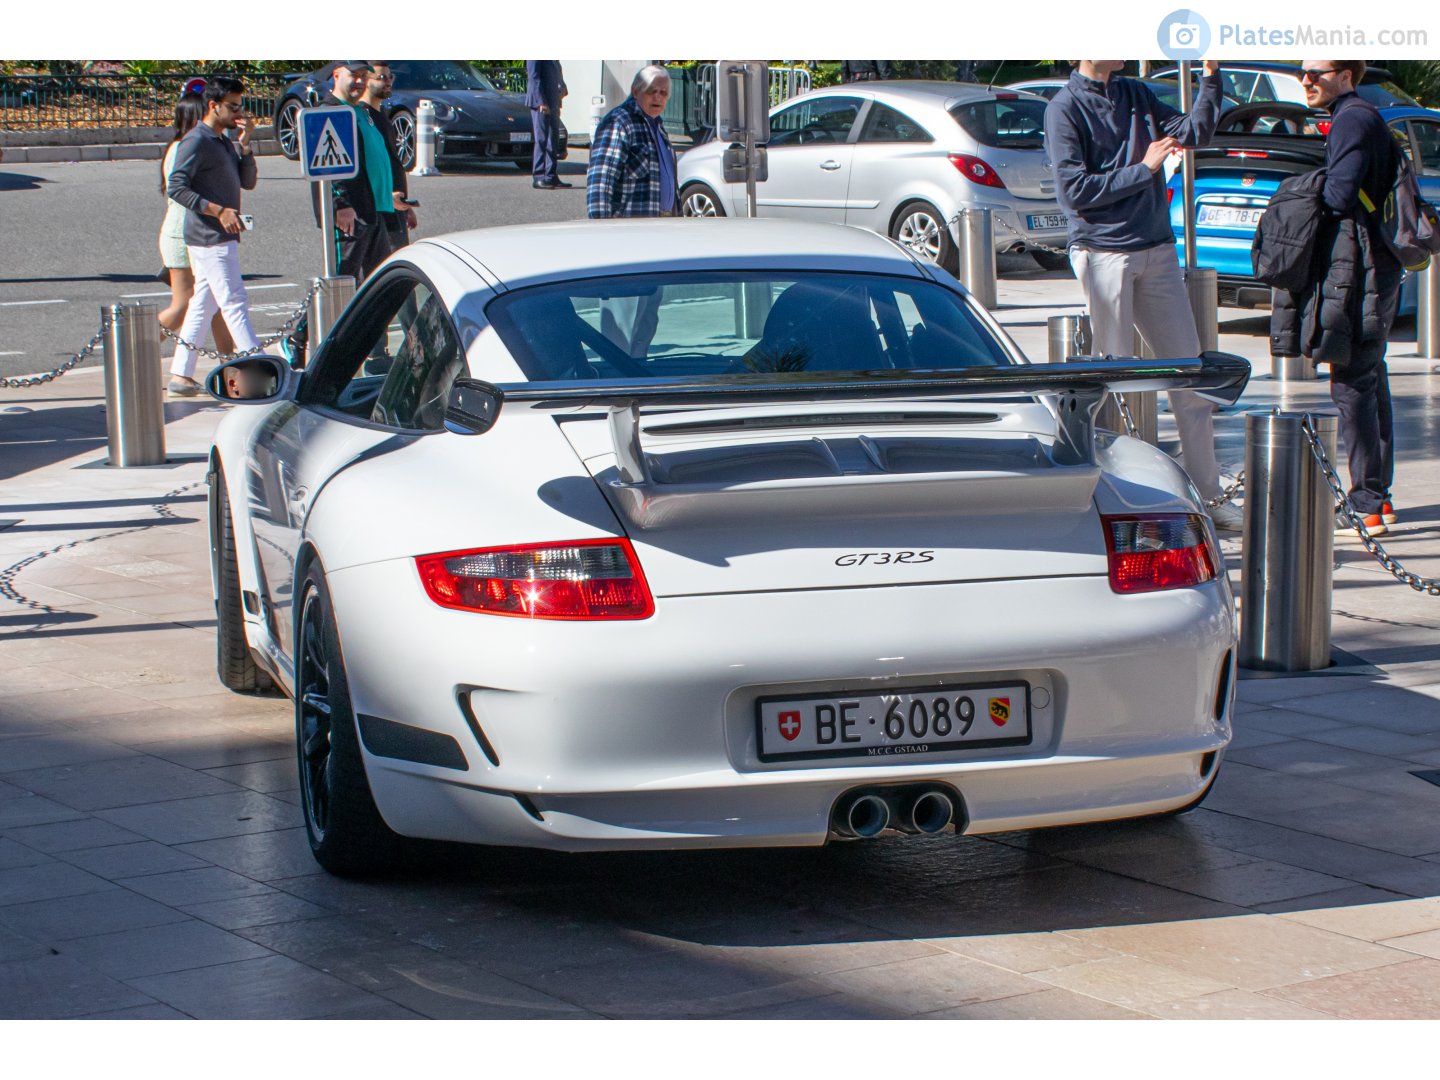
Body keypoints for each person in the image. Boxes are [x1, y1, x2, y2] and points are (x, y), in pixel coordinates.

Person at [1044, 60, 1241, 531]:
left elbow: (1194, 132)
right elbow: (1074, 193)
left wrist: (1211, 78)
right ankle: (1106, 496)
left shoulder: (1136, 93)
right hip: (1103, 251)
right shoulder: (1064, 108)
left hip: (1156, 248)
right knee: (1111, 376)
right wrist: (1144, 168)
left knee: (1189, 375)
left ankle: (1209, 495)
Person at [1286, 60, 1401, 536]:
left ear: (1348, 75)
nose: (1307, 80)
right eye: (1301, 72)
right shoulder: (1362, 115)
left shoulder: (1353, 118)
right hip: (1376, 261)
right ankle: (1379, 496)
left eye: (1317, 72)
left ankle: (1368, 501)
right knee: (1369, 374)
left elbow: (1338, 194)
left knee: (1350, 380)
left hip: (1363, 267)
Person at [165, 76, 261, 396]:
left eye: (240, 105)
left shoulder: (221, 140)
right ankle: (258, 369)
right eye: (232, 106)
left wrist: (245, 144)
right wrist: (218, 210)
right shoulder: (197, 140)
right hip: (210, 236)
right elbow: (177, 187)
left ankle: (180, 374)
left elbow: (247, 183)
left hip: (218, 235)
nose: (238, 112)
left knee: (202, 305)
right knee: (233, 301)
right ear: (213, 105)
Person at [587, 65, 678, 358]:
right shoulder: (620, 122)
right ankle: (615, 386)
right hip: (627, 243)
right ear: (636, 91)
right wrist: (606, 237)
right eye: (653, 90)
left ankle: (637, 375)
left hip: (658, 239)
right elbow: (600, 184)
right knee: (621, 326)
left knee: (646, 319)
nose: (659, 97)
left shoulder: (658, 126)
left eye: (664, 92)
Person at [157, 88, 235, 362]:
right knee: (184, 304)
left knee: (214, 302)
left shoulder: (201, 143)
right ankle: (135, 346)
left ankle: (232, 361)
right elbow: (180, 190)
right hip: (182, 235)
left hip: (197, 233)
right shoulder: (186, 146)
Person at [311, 61, 398, 283]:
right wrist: (341, 205)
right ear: (337, 75)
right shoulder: (329, 111)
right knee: (342, 285)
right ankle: (317, 321)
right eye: (354, 75)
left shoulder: (359, 110)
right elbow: (327, 167)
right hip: (351, 213)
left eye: (363, 75)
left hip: (373, 209)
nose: (359, 81)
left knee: (377, 286)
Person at [359, 62, 418, 250]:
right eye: (381, 77)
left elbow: (392, 163)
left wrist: (406, 207)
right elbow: (368, 167)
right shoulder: (362, 116)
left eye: (390, 77)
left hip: (395, 205)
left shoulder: (382, 113)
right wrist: (386, 196)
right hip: (380, 207)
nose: (388, 82)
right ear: (366, 82)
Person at [525, 60, 570, 189]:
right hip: (541, 102)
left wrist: (563, 87)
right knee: (542, 140)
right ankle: (539, 176)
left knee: (553, 139)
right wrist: (541, 101)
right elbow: (534, 76)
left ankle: (551, 175)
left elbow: (556, 70)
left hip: (553, 100)